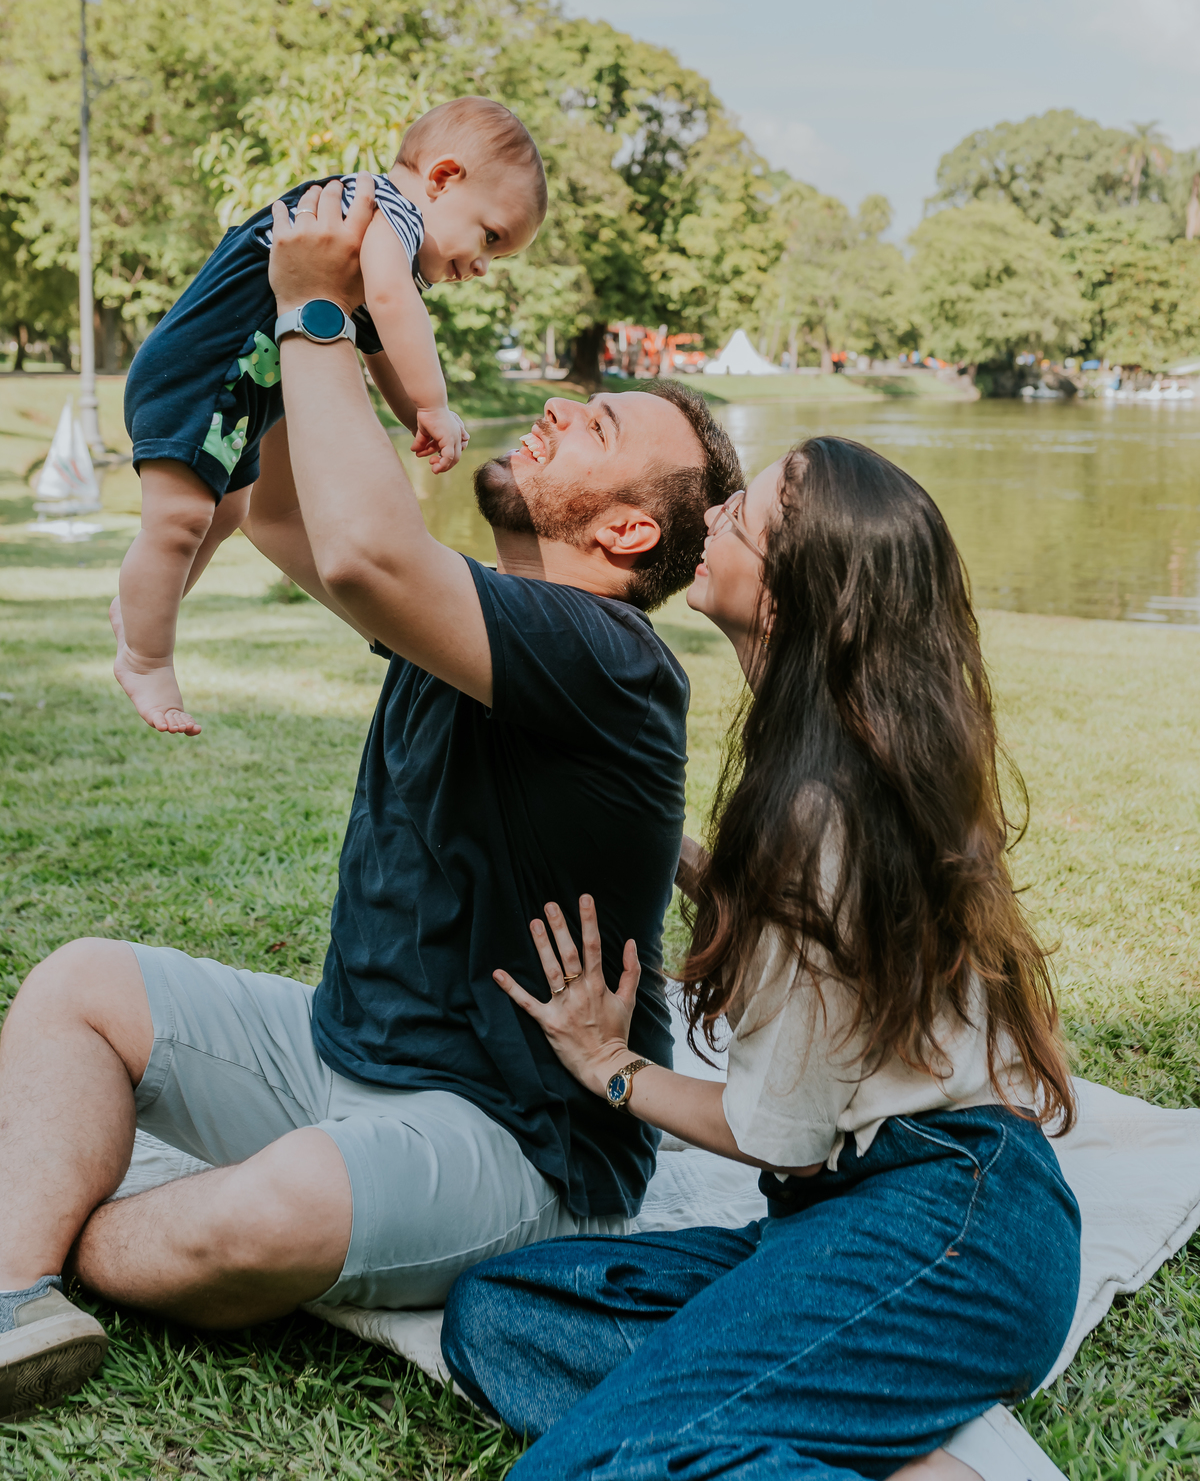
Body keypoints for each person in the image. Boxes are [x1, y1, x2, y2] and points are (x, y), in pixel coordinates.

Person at [0, 178, 743, 1422]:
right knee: (78, 983)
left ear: (623, 533)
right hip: (347, 1048)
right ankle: (17, 1290)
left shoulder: (611, 656)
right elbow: (295, 517)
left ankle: (63, 1231)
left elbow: (358, 550)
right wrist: (288, 294)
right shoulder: (471, 618)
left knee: (276, 1203)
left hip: (521, 1139)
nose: (562, 407)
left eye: (601, 425)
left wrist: (321, 314)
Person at [441, 436, 1083, 1480]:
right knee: (504, 1313)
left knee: (585, 1471)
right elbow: (818, 935)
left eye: (748, 514)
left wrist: (615, 1067)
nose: (722, 511)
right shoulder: (866, 764)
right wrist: (672, 853)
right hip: (898, 1221)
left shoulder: (816, 812)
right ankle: (848, 1436)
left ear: (789, 594)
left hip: (950, 1232)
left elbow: (780, 1136)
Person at [112, 95, 546, 737]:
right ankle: (145, 657)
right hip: (197, 374)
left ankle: (144, 607)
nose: (482, 265)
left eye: (498, 256)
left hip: (238, 395)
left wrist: (414, 417)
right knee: (178, 520)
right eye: (490, 236)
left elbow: (374, 349)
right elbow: (395, 307)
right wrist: (435, 405)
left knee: (230, 511)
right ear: (443, 177)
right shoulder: (377, 212)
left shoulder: (368, 246)